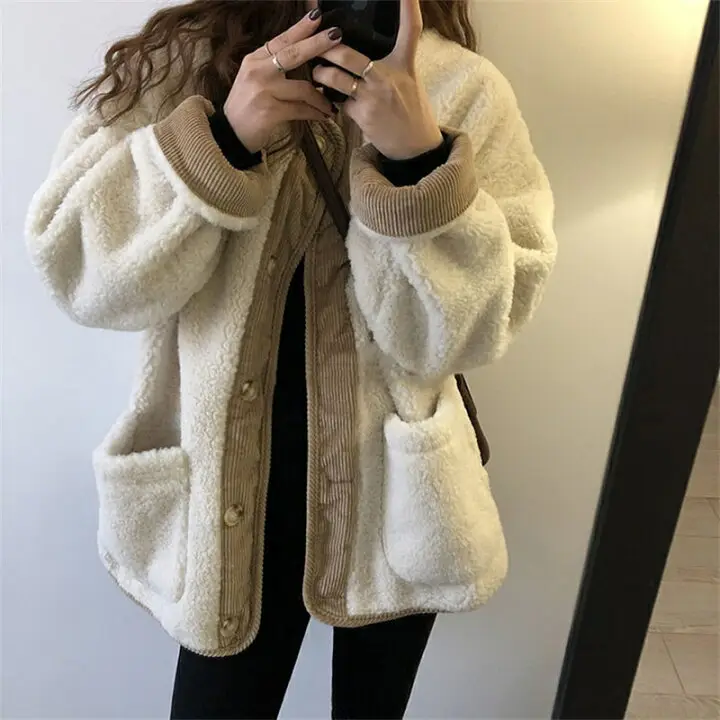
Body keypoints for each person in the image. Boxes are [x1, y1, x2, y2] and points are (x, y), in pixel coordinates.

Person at [25, 0, 557, 717]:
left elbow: (470, 334)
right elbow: (80, 270)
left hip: (398, 495)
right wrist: (223, 139)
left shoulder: (461, 88)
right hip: (225, 494)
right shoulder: (182, 67)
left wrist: (422, 161)